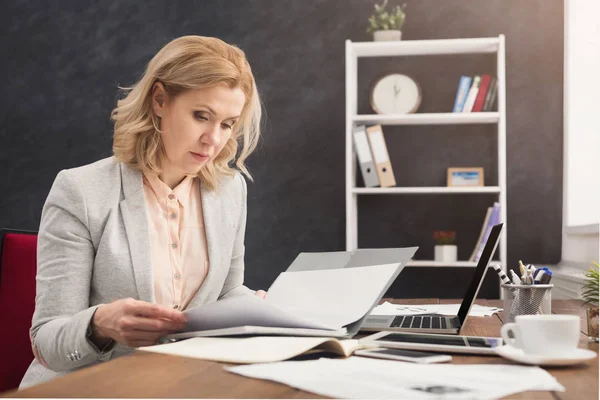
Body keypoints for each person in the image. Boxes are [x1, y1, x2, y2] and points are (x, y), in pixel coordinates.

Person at [20, 35, 266, 389]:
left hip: (183, 384)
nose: (215, 139)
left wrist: (260, 308)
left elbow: (227, 291)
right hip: (85, 387)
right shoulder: (80, 191)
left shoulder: (229, 190)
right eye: (202, 116)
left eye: (227, 124)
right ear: (160, 100)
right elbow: (47, 342)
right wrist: (99, 325)